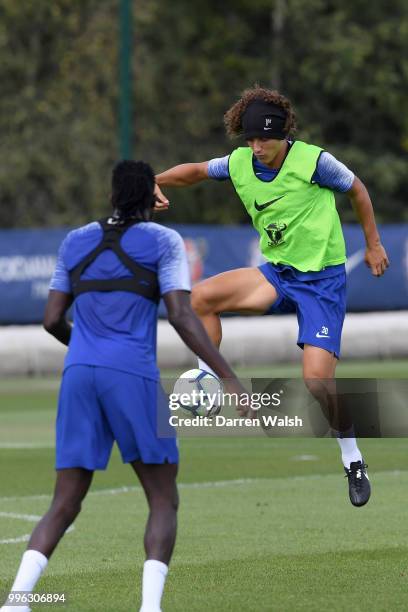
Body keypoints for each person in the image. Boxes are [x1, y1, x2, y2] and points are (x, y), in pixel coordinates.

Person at [1, 160, 245, 612]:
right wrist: (228, 378)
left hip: (78, 374)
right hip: (131, 374)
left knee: (65, 502)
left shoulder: (75, 241)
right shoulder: (164, 241)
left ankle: (16, 601)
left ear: (113, 196)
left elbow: (52, 319)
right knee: (162, 497)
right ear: (153, 197)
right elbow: (181, 314)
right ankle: (149, 609)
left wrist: (87, 349)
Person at [153, 86, 390, 508]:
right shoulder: (241, 162)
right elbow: (194, 172)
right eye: (250, 138)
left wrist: (372, 245)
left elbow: (358, 190)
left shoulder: (315, 162)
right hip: (278, 275)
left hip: (321, 283)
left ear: (284, 135)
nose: (256, 146)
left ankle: (352, 458)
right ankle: (214, 382)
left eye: (264, 139)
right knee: (199, 299)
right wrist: (153, 182)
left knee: (318, 382)